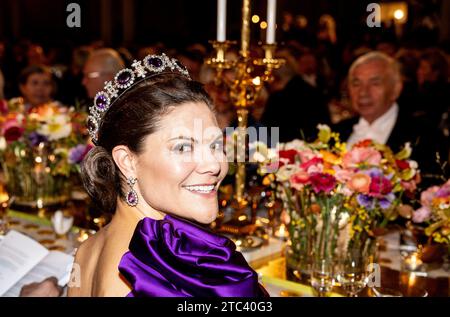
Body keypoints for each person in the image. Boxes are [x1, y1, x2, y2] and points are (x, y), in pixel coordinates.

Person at [68, 53, 268, 297]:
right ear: (127, 161)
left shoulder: (89, 249)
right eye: (183, 147)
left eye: (215, 145)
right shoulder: (149, 277)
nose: (214, 165)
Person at [334, 51, 448, 184]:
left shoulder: (427, 137)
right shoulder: (336, 132)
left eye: (375, 83)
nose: (363, 92)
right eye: (356, 83)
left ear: (396, 89)